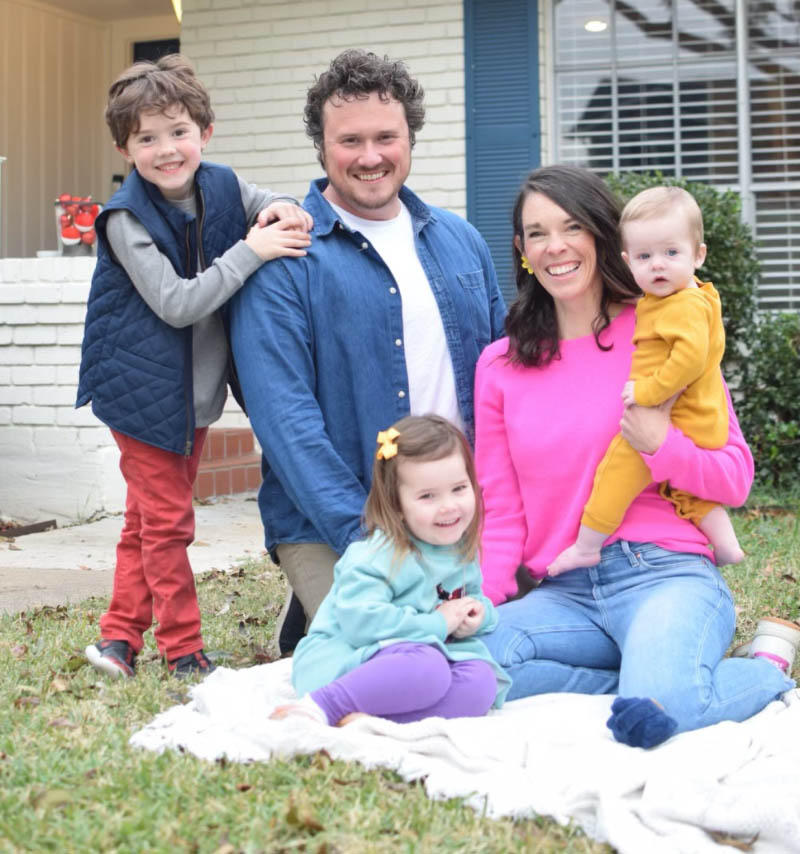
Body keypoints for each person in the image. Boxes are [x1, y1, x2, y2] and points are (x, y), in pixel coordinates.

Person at [474, 165, 794, 749]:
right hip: (565, 589)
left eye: (572, 227)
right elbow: (501, 508)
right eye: (537, 233)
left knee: (660, 711)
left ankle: (764, 669)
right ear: (521, 250)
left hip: (665, 572)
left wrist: (661, 446)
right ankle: (636, 678)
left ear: (603, 238)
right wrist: (481, 603)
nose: (556, 247)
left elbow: (735, 478)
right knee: (470, 666)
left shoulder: (665, 331)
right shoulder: (500, 365)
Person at [230, 50, 505, 653]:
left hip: (455, 512)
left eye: (387, 136)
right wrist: (368, 541)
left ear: (410, 137)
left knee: (502, 650)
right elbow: (285, 422)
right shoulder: (285, 258)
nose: (371, 156)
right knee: (393, 659)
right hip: (335, 522)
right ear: (322, 146)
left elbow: (501, 384)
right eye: (350, 140)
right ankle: (313, 607)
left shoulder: (461, 241)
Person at [77, 54, 312, 680]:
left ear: (203, 132)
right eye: (146, 139)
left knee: (146, 521)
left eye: (178, 131)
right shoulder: (125, 220)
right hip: (141, 393)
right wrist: (252, 250)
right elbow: (179, 305)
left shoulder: (224, 185)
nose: (166, 149)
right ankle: (182, 650)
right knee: (170, 523)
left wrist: (287, 210)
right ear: (126, 149)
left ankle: (116, 640)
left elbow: (276, 202)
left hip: (193, 394)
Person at [548, 186, 743, 575]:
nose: (658, 265)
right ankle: (727, 544)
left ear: (698, 254)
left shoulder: (682, 305)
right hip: (697, 419)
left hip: (675, 413)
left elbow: (688, 359)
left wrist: (648, 393)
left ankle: (586, 545)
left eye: (671, 253)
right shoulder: (686, 299)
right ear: (627, 261)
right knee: (680, 489)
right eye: (644, 256)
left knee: (615, 472)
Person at [271, 416, 510, 726]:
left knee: (480, 682)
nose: (449, 506)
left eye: (459, 488)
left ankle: (369, 720)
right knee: (429, 667)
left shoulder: (459, 549)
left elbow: (473, 596)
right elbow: (361, 624)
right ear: (396, 503)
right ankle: (323, 705)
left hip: (412, 661)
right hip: (345, 662)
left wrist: (478, 615)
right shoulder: (378, 555)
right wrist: (438, 622)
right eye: (428, 496)